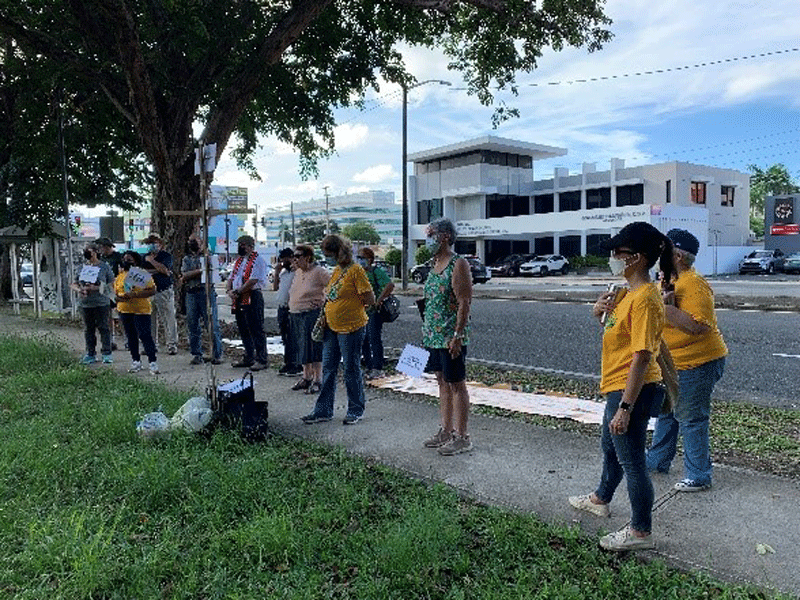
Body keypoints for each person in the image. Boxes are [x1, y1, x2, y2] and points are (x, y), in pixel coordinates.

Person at [568, 221, 674, 551]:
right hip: (619, 386)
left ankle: (641, 531)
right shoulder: (626, 295)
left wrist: (626, 408)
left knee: (633, 462)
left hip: (635, 389)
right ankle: (600, 498)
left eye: (619, 252)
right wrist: (598, 313)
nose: (613, 257)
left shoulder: (644, 299)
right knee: (611, 448)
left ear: (638, 258)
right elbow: (618, 336)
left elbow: (642, 356)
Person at [646, 229, 728, 492]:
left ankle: (698, 475)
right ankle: (657, 460)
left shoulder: (693, 284)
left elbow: (699, 327)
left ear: (678, 256)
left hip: (698, 362)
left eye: (662, 252)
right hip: (673, 363)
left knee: (691, 417)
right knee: (667, 413)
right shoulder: (668, 282)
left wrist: (667, 308)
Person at [301, 235, 374, 425]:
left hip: (351, 328)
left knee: (351, 369)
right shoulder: (337, 271)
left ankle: (355, 409)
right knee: (328, 369)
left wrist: (350, 308)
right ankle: (323, 410)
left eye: (328, 254)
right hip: (331, 327)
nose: (326, 258)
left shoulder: (355, 271)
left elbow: (369, 299)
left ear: (338, 252)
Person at [420, 218, 474, 456]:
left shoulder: (457, 264)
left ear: (445, 236)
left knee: (456, 384)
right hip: (433, 336)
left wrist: (457, 335)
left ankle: (462, 436)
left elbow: (464, 302)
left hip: (450, 336)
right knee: (441, 382)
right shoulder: (433, 264)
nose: (427, 238)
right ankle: (445, 429)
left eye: (430, 234)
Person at [288, 244, 330, 393]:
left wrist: (323, 301)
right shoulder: (298, 272)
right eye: (294, 256)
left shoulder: (319, 272)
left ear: (308, 257)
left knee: (314, 346)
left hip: (311, 314)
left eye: (298, 256)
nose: (295, 259)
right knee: (301, 346)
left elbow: (333, 287)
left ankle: (318, 378)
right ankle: (306, 377)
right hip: (296, 313)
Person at [226, 234, 269, 370]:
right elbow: (231, 277)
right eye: (240, 244)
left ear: (251, 246)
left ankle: (262, 359)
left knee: (256, 328)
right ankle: (249, 356)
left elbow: (253, 280)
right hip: (238, 297)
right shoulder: (239, 262)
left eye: (243, 244)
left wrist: (239, 291)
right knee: (243, 328)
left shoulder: (258, 260)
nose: (240, 247)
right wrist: (229, 291)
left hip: (252, 296)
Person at [180, 233, 223, 366]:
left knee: (212, 324)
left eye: (195, 241)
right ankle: (196, 354)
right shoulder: (187, 259)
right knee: (193, 324)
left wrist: (202, 270)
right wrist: (200, 271)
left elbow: (214, 272)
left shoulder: (209, 258)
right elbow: (185, 275)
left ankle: (217, 354)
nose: (192, 243)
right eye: (190, 240)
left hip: (206, 292)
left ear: (202, 242)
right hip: (192, 293)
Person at [115, 250, 159, 374]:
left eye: (129, 259)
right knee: (131, 337)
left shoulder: (142, 274)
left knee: (145, 335)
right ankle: (136, 360)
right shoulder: (120, 276)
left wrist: (135, 294)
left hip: (141, 310)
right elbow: (116, 293)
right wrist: (118, 298)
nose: (126, 261)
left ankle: (152, 361)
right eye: (124, 259)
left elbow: (152, 290)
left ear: (135, 261)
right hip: (125, 310)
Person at [71, 243, 115, 365]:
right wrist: (80, 290)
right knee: (89, 329)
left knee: (104, 327)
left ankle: (106, 352)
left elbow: (111, 285)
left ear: (96, 252)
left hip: (101, 302)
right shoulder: (82, 267)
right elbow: (74, 283)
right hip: (86, 303)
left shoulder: (104, 267)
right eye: (85, 251)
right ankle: (90, 353)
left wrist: (96, 288)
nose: (87, 253)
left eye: (89, 251)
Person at [358, 247, 394, 379]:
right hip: (361, 311)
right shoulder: (359, 272)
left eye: (363, 258)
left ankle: (377, 367)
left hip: (373, 311)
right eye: (359, 258)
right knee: (363, 340)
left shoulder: (375, 271)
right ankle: (368, 365)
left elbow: (389, 285)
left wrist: (378, 300)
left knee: (374, 338)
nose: (360, 260)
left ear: (370, 259)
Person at [142, 233, 178, 355]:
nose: (151, 245)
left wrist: (152, 262)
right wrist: (155, 270)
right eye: (149, 242)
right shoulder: (144, 257)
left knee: (168, 318)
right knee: (149, 319)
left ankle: (172, 344)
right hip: (148, 292)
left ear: (160, 244)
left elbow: (165, 271)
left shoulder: (165, 256)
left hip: (163, 290)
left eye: (154, 242)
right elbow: (140, 272)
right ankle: (152, 344)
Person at [273, 247, 302, 377]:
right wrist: (277, 272)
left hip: (293, 308)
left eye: (286, 260)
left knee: (293, 337)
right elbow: (275, 287)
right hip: (282, 306)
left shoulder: (298, 272)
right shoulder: (283, 273)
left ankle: (296, 364)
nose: (284, 263)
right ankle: (288, 362)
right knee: (285, 337)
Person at [94, 237, 123, 351]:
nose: (100, 250)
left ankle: (127, 340)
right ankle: (111, 340)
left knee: (121, 314)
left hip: (117, 287)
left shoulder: (118, 257)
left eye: (101, 247)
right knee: (108, 316)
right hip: (105, 289)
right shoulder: (100, 259)